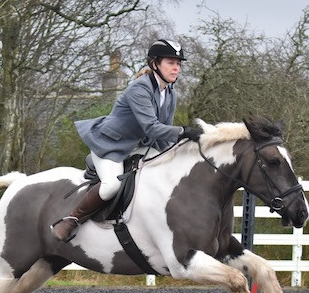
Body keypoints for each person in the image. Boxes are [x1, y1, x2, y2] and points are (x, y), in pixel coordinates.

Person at [50, 39, 204, 242]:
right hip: (111, 145)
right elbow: (152, 127)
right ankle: (71, 219)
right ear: (155, 64)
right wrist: (184, 131)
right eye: (171, 62)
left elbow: (164, 135)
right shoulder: (139, 89)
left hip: (138, 146)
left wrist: (177, 152)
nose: (176, 68)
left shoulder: (170, 92)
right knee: (111, 186)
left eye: (179, 64)